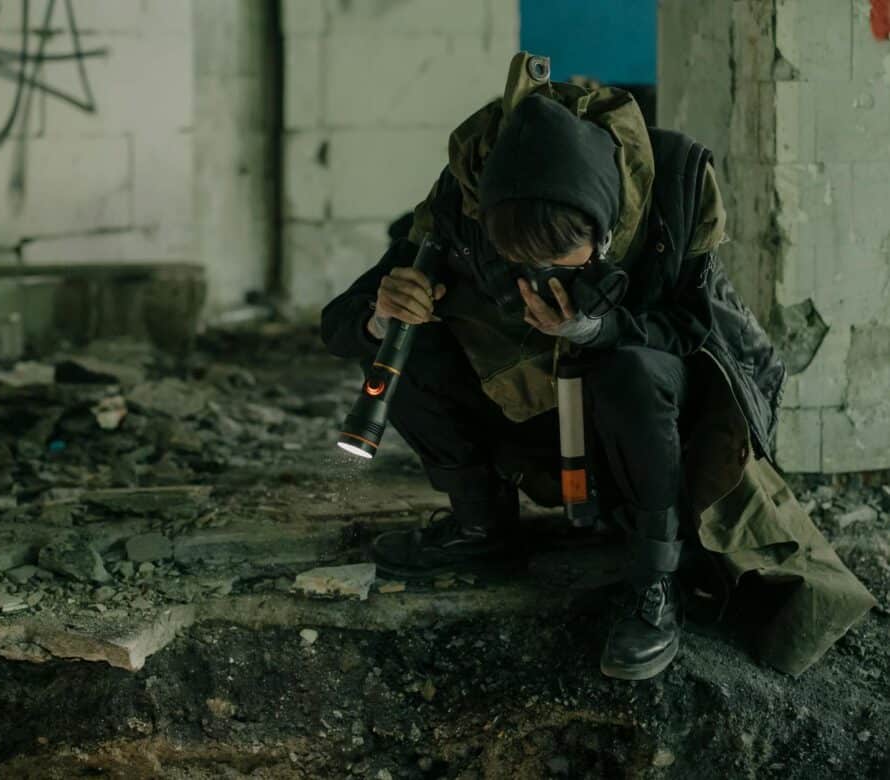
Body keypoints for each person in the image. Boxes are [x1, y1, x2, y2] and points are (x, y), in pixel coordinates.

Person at [320, 53, 875, 680]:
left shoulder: (675, 186)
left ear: (604, 228)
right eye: (521, 262)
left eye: (563, 263)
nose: (542, 279)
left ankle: (653, 585)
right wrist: (380, 312)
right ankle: (481, 529)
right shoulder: (461, 202)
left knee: (633, 368)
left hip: (643, 430)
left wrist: (597, 328)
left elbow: (698, 331)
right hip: (534, 424)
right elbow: (336, 323)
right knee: (406, 336)